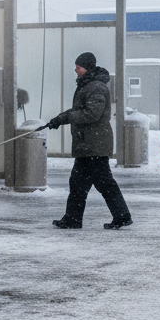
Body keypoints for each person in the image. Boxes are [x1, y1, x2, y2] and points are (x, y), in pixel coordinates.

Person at [46, 51, 133, 230]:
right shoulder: (87, 85)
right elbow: (79, 109)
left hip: (95, 145)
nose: (76, 70)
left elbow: (92, 114)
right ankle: (73, 219)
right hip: (88, 145)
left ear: (87, 68)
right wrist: (60, 118)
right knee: (78, 183)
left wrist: (66, 118)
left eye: (78, 67)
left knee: (103, 183)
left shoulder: (96, 87)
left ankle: (121, 216)